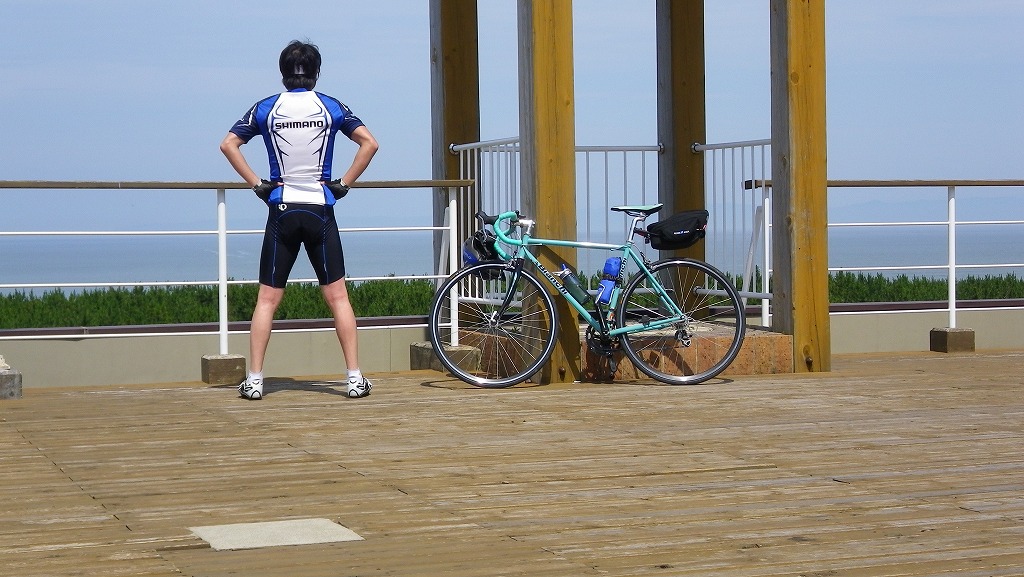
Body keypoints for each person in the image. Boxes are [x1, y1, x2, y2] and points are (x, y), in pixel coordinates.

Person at [220, 40, 378, 400]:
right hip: (320, 209)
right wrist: (343, 184)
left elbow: (228, 144)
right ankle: (354, 379)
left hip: (282, 209)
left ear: (282, 73)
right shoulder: (331, 106)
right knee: (338, 297)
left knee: (267, 299)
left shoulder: (265, 108)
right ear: (316, 72)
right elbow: (369, 143)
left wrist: (257, 184)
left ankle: (254, 381)